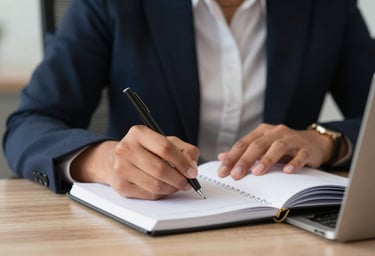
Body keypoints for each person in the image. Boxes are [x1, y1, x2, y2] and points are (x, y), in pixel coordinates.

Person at [3, 0, 375, 200]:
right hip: (147, 228)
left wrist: (325, 140)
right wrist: (103, 161)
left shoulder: (328, 6)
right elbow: (28, 125)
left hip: (283, 231)